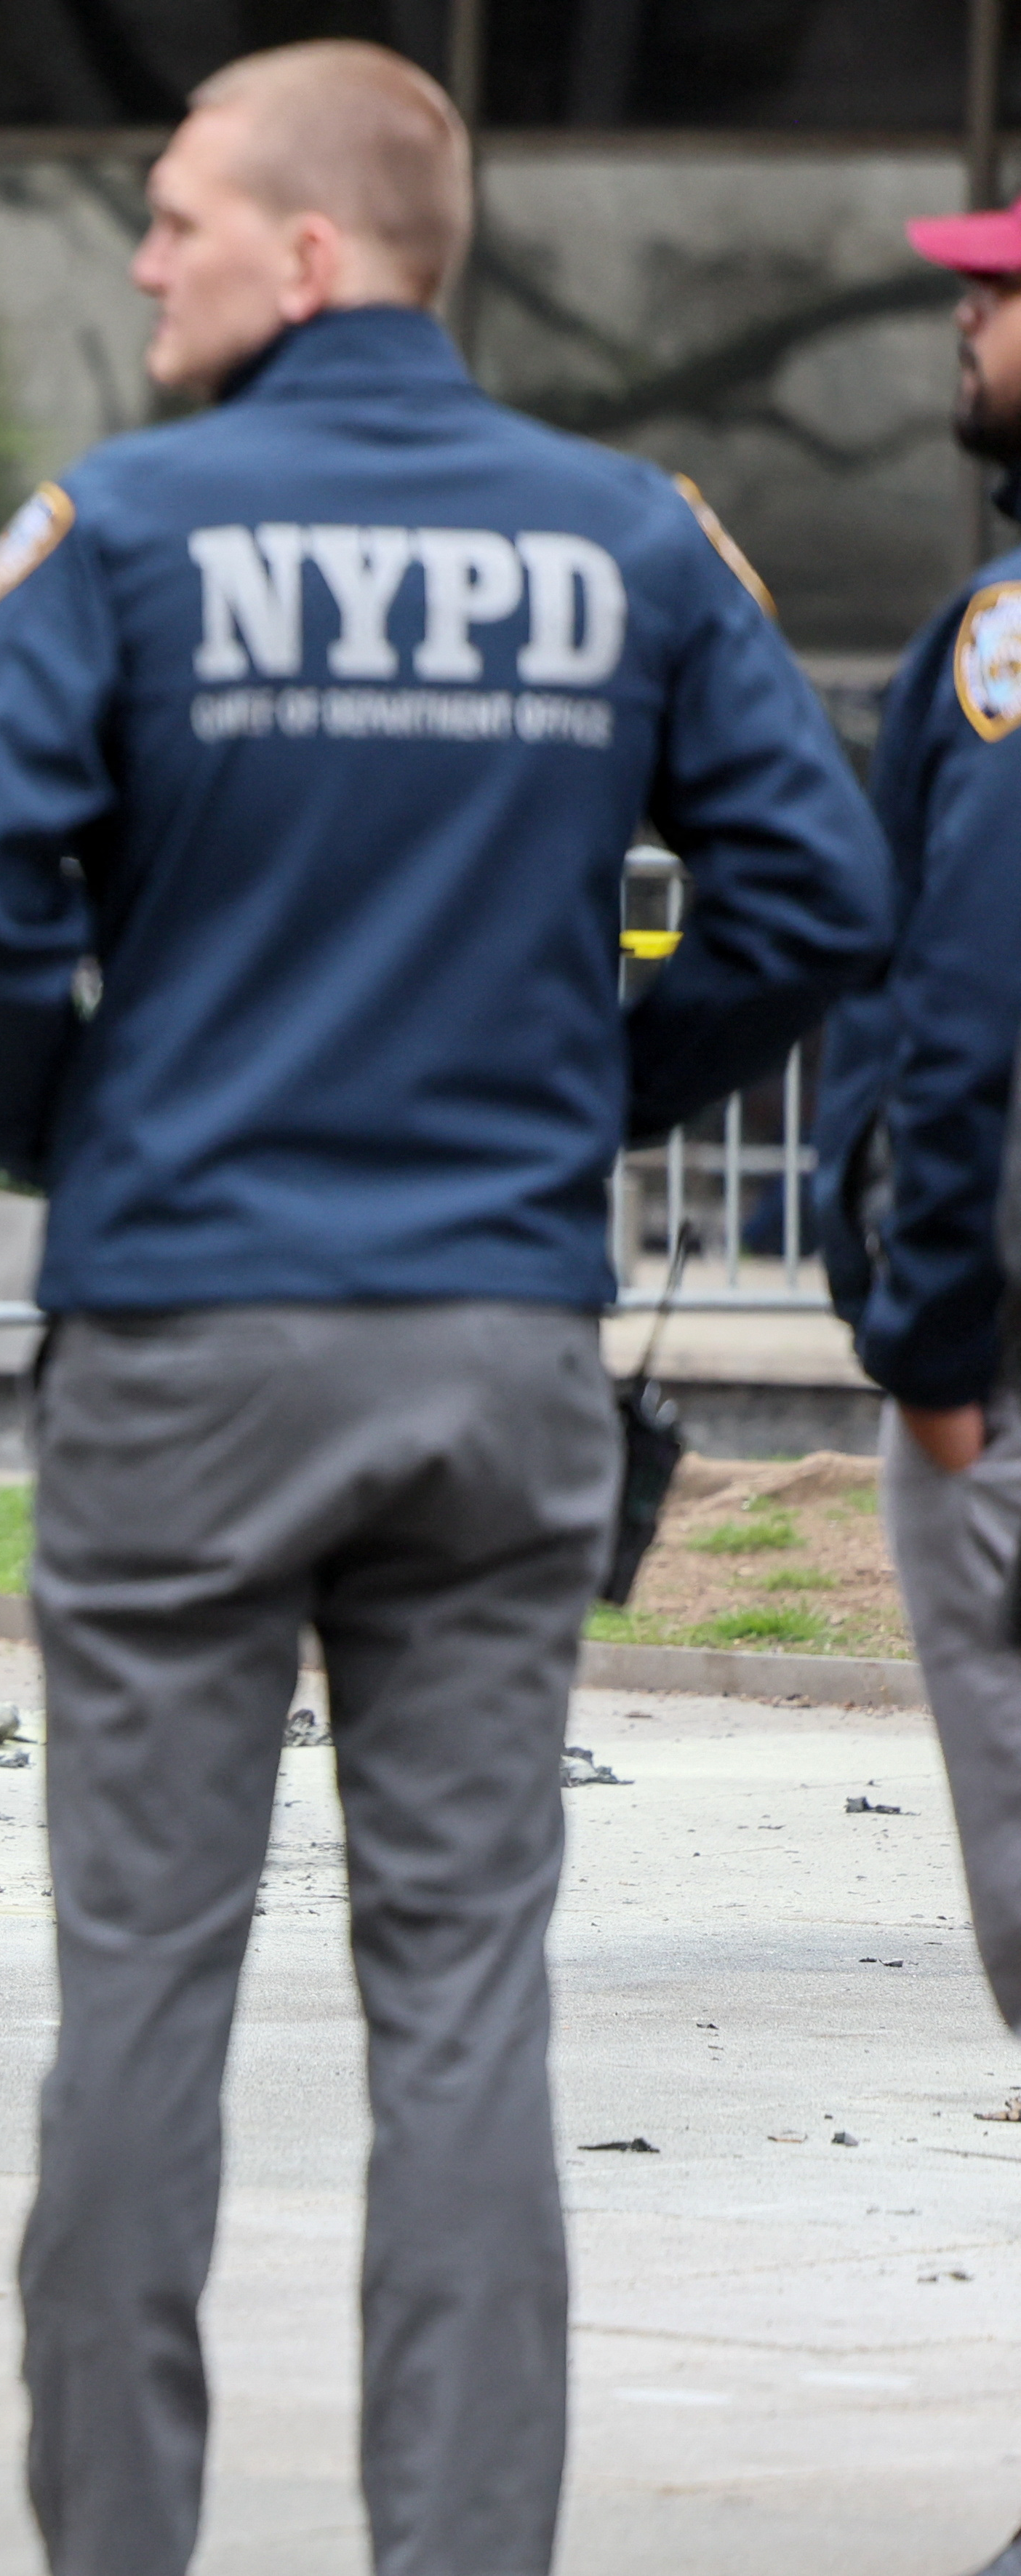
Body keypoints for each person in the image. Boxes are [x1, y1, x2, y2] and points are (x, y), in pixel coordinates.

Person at [0, 43, 886, 2576]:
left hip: (190, 1335)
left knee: (143, 1989)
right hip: (491, 1346)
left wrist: (75, 1132)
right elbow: (810, 899)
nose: (144, 257)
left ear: (309, 253)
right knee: (468, 2015)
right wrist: (585, 1099)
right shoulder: (631, 542)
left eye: (180, 216)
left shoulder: (113, 531)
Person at [808, 193, 1021, 2576]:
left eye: (995, 291)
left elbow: (961, 1012)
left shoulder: (1008, 651)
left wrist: (937, 1359)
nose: (960, 322)